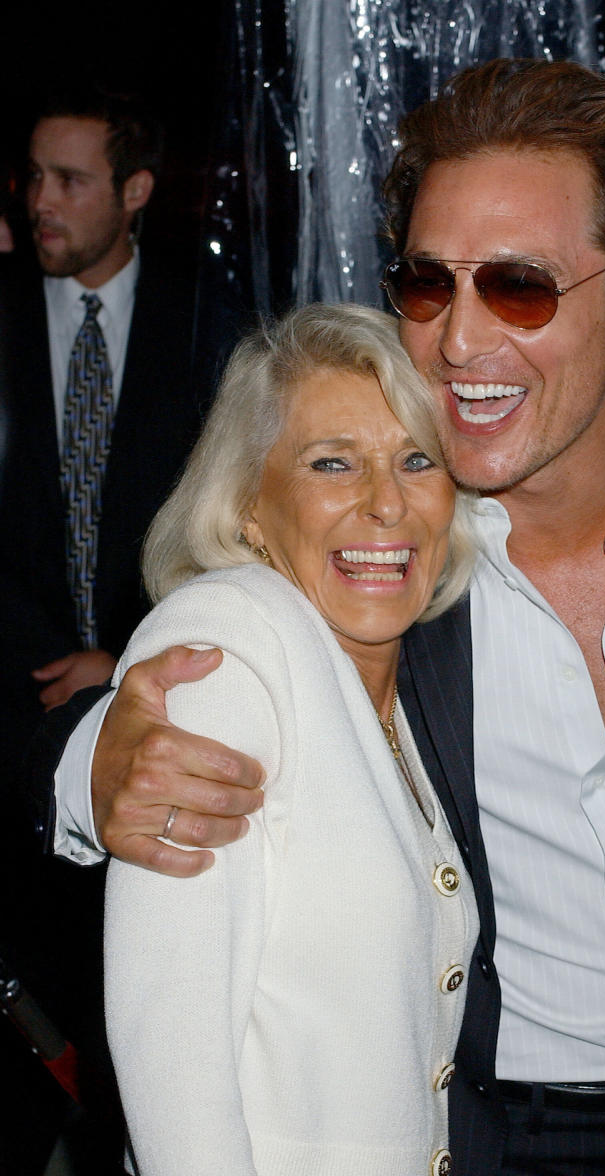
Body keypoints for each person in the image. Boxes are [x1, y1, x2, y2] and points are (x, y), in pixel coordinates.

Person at [33, 59, 605, 1176]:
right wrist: (95, 763)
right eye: (429, 283)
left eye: (518, 286)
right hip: (493, 1137)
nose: (460, 342)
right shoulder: (384, 557)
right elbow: (219, 645)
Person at [104, 301, 478, 1174]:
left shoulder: (400, 684)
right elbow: (172, 1052)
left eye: (417, 460)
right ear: (247, 509)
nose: (387, 504)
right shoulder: (224, 658)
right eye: (332, 464)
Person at [0, 90, 229, 1173]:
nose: (40, 202)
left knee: (132, 1011)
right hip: (14, 718)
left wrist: (126, 653)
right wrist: (47, 657)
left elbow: (232, 520)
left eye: (70, 181)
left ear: (135, 192)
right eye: (33, 178)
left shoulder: (208, 318)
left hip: (162, 707)